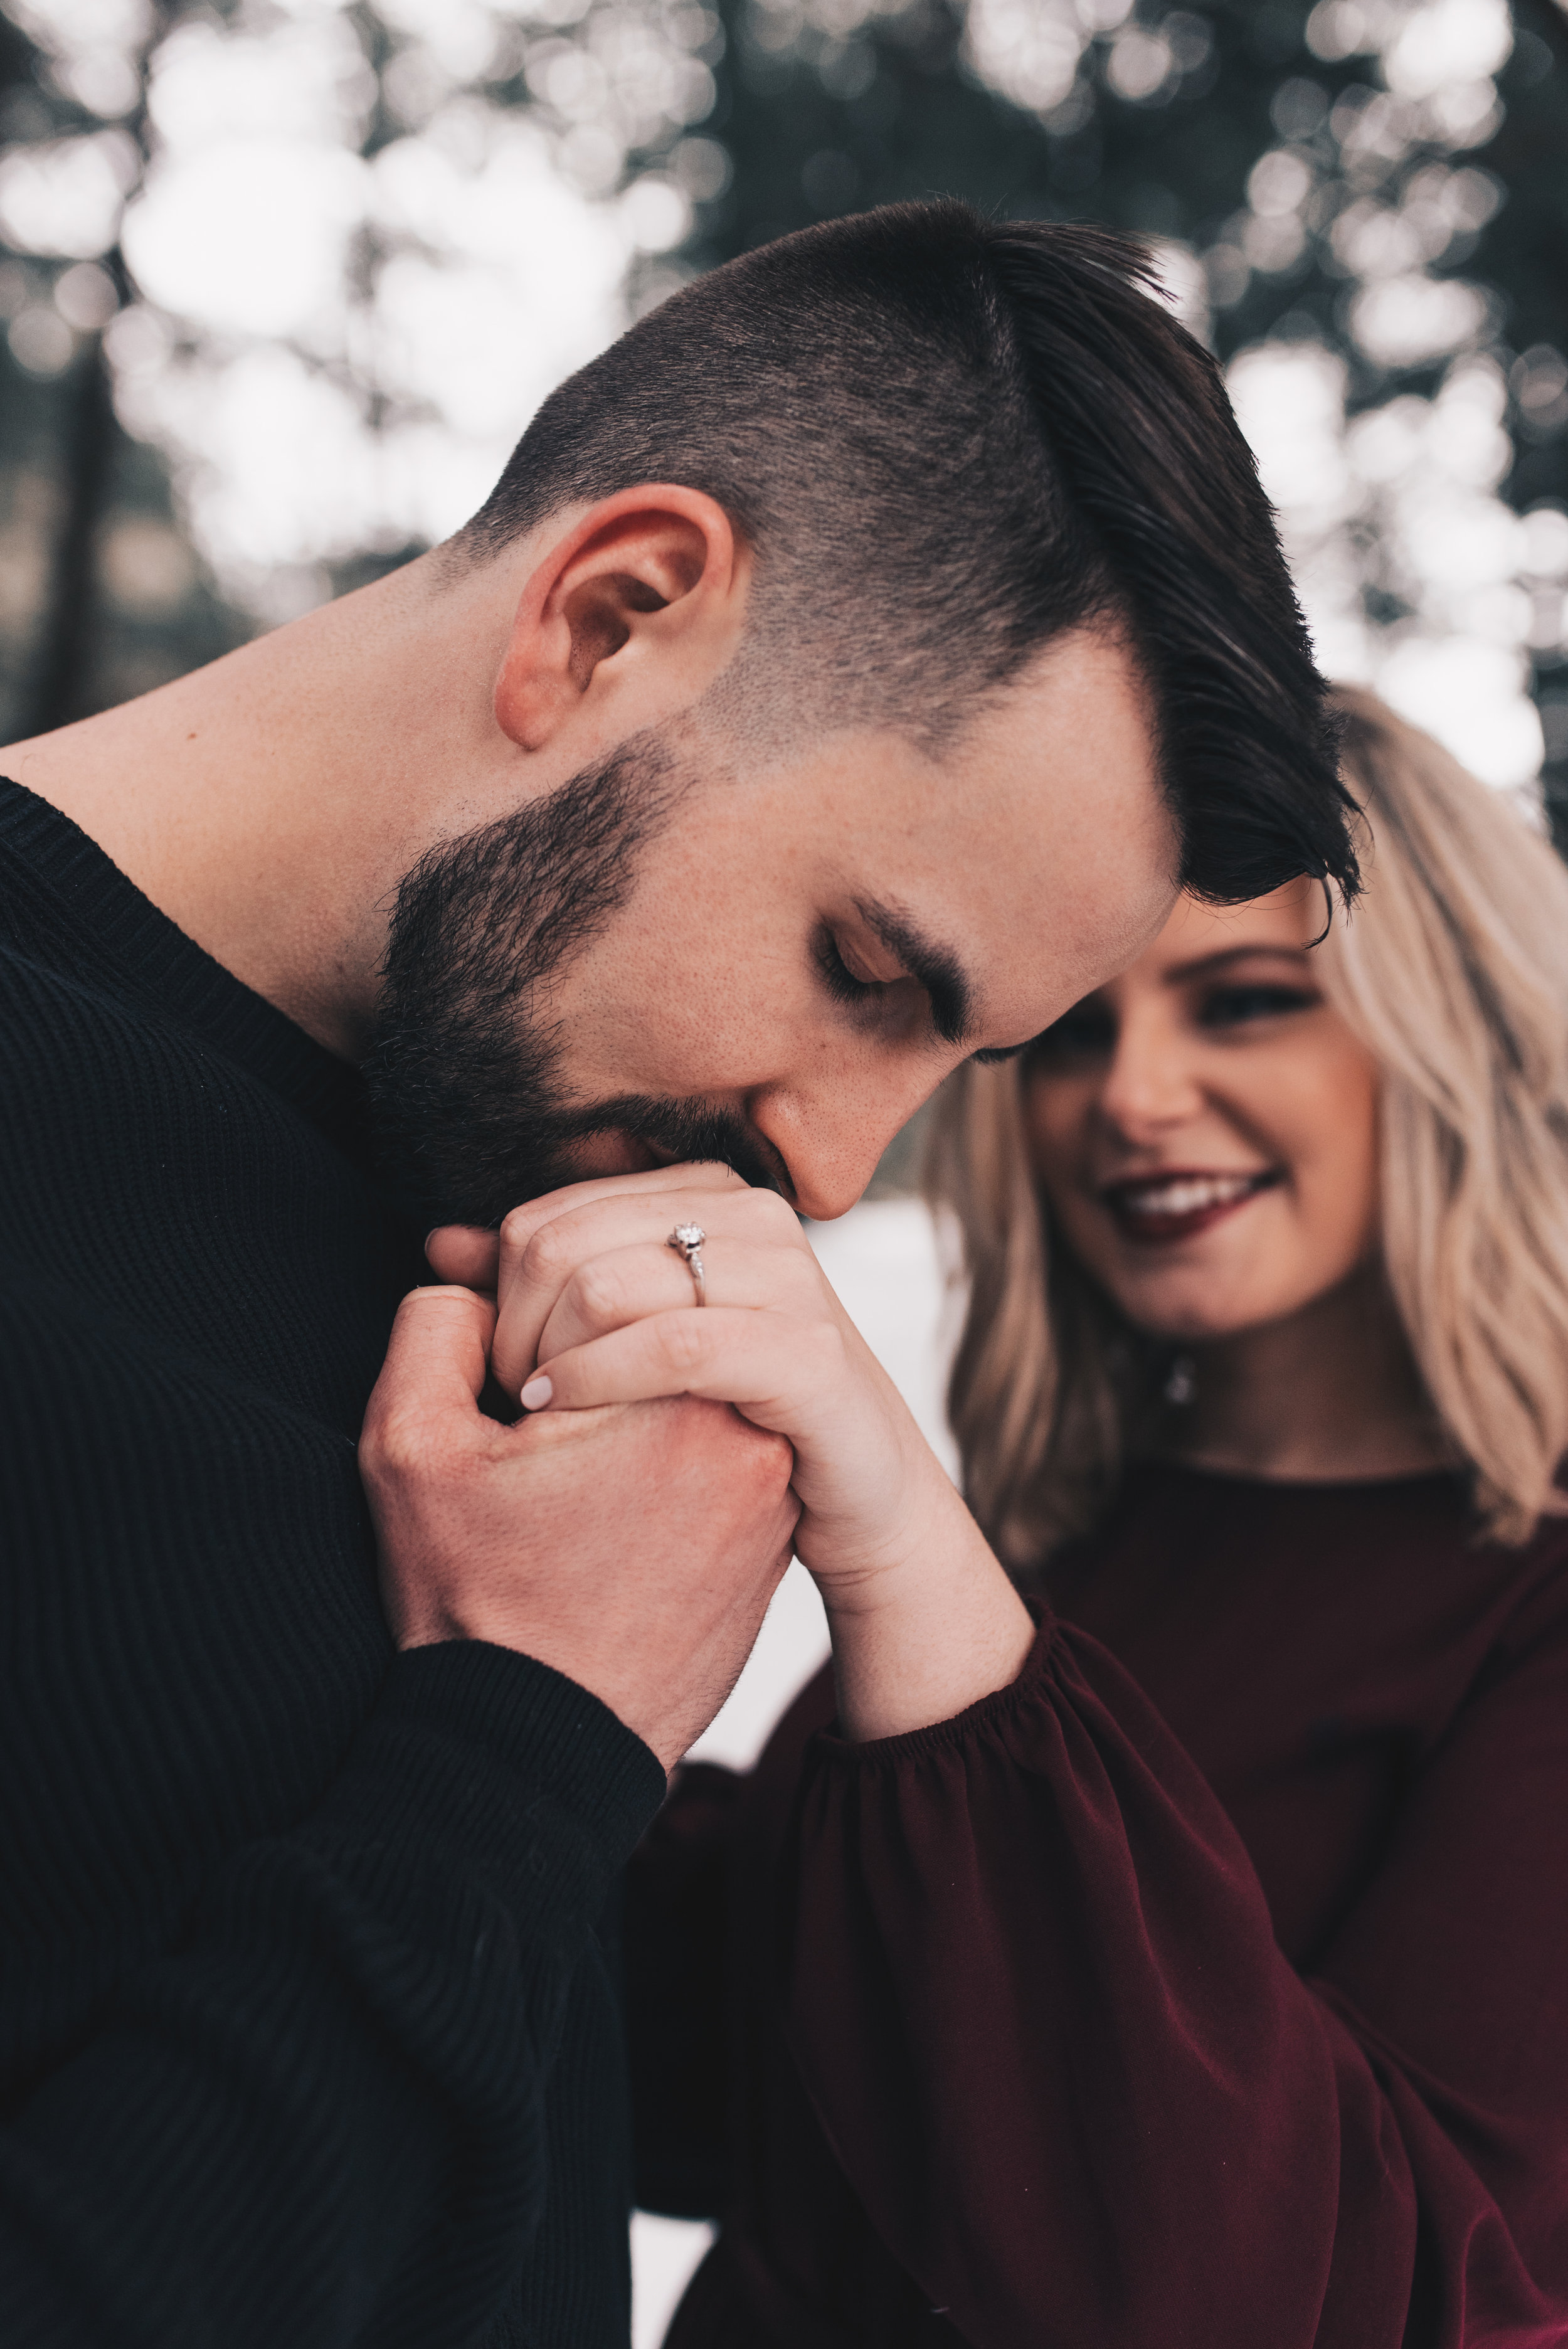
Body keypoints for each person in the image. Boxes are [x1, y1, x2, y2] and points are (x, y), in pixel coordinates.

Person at [0, 203, 1354, 2346]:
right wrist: (528, 1736)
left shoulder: (501, 1212)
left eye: (956, 1065)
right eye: (867, 972)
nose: (828, 1166)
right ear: (611, 614)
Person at [467, 689, 1568, 2344]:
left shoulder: (1523, 1615)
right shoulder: (1059, 1550)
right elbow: (728, 2087)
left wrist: (906, 1546)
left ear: (1457, 1035)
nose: (1130, 1096)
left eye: (1248, 1005)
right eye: (1072, 1033)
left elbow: (1376, 2293)